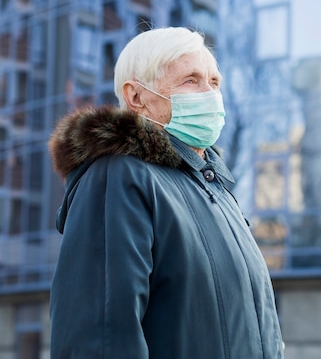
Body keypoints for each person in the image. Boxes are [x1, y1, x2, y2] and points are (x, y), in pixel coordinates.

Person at [48, 27, 284, 359]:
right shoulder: (117, 177)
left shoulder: (218, 192)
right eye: (191, 80)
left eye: (214, 83)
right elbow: (99, 341)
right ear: (136, 96)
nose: (209, 94)